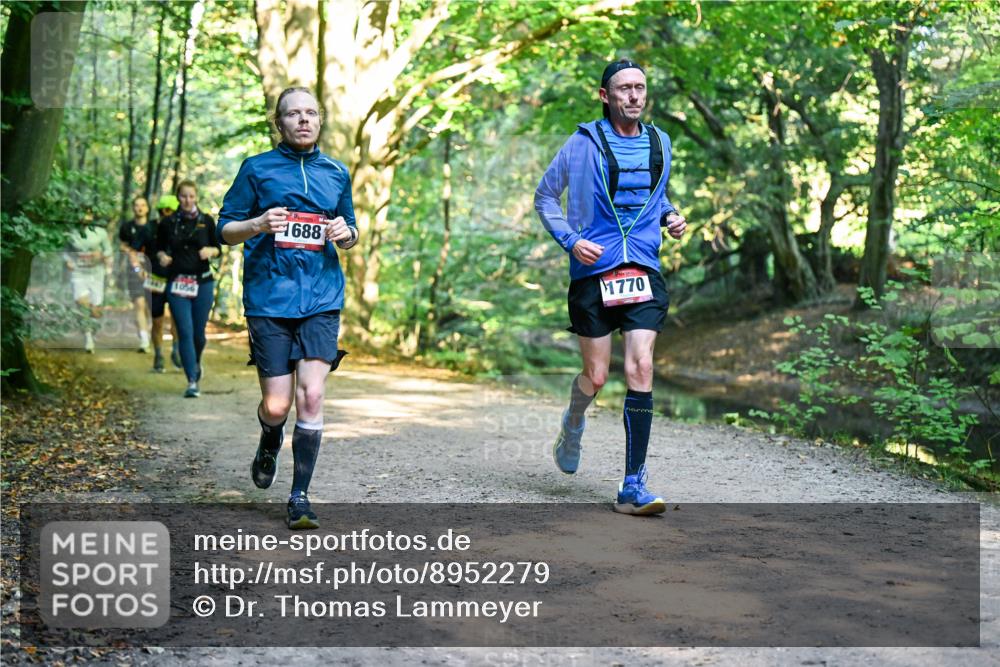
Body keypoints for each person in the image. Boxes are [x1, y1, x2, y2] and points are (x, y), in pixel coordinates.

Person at [534, 58, 688, 516]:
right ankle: (573, 420)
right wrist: (570, 240)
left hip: (642, 268)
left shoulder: (660, 141)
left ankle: (632, 484)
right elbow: (546, 196)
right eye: (624, 88)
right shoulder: (581, 143)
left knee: (641, 366)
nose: (634, 95)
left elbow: (655, 195)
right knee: (596, 376)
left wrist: (670, 216)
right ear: (605, 96)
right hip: (594, 270)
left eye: (640, 87)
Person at [217, 86, 357, 530]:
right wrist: (257, 224)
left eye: (310, 113)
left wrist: (346, 234)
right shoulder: (256, 169)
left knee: (311, 396)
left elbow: (351, 229)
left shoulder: (336, 172)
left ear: (320, 120)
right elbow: (225, 229)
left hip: (321, 297)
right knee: (277, 406)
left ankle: (300, 497)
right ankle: (269, 436)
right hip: (269, 298)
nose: (303, 120)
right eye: (293, 114)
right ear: (278, 123)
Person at [155, 181, 220, 398]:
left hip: (203, 282)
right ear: (178, 198)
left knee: (198, 335)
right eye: (183, 196)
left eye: (191, 196)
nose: (187, 200)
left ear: (196, 197)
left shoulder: (206, 221)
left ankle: (195, 362)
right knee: (184, 331)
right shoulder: (168, 222)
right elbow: (158, 248)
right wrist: (162, 256)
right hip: (177, 283)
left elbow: (218, 249)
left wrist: (210, 251)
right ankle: (192, 380)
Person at [63, 209, 114, 353]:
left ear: (92, 216)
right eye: (81, 213)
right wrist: (68, 261)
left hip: (96, 273)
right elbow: (66, 252)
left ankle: (92, 327)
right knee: (82, 303)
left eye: (87, 213)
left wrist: (102, 256)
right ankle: (88, 337)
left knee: (95, 310)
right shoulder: (71, 234)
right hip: (79, 273)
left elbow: (108, 251)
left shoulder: (100, 233)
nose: (84, 217)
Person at [147, 195, 178, 372]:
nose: (167, 214)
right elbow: (136, 251)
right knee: (157, 321)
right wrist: (139, 270)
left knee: (178, 320)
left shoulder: (182, 228)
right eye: (164, 210)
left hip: (177, 279)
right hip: (155, 279)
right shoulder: (150, 228)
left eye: (171, 211)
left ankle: (176, 351)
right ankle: (158, 355)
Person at [118, 196, 152, 353]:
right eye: (137, 205)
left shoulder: (153, 227)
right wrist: (130, 254)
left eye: (143, 205)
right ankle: (144, 340)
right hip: (133, 271)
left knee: (150, 306)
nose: (140, 208)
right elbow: (122, 246)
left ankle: (148, 330)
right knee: (139, 303)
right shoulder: (126, 227)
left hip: (152, 271)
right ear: (133, 208)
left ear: (147, 208)